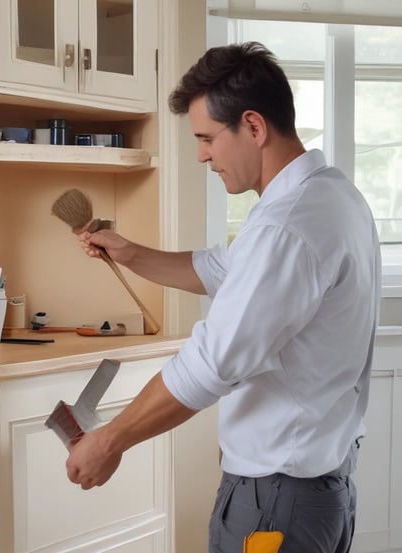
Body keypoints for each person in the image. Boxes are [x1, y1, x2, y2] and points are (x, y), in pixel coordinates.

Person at [66, 41, 381, 553]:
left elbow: (211, 364)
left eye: (207, 138)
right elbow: (224, 271)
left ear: (253, 126)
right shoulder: (332, 196)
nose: (202, 155)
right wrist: (130, 253)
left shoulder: (286, 227)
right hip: (319, 489)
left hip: (276, 501)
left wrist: (109, 440)